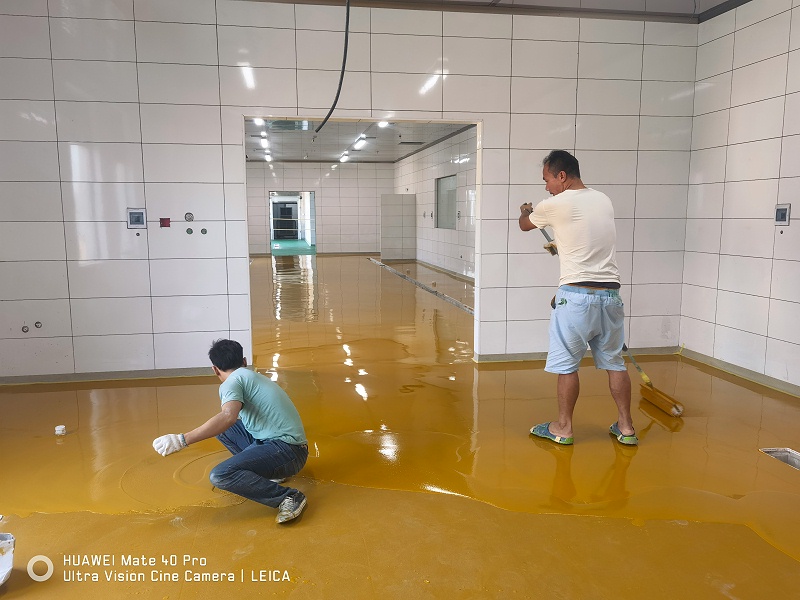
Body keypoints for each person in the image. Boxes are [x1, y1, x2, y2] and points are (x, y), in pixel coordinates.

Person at [518, 150, 637, 446]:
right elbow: (583, 234)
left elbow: (524, 225)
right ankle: (626, 427)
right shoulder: (603, 199)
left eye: (547, 180)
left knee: (567, 366)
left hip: (575, 297)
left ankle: (563, 428)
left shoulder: (554, 204)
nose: (546, 187)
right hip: (610, 295)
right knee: (615, 363)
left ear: (561, 175)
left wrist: (525, 210)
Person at [152, 339, 309, 523]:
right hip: (291, 448)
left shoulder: (231, 382)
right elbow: (228, 423)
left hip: (288, 452)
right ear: (243, 361)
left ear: (215, 369)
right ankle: (268, 474)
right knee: (224, 430)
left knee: (221, 475)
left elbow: (228, 416)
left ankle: (288, 497)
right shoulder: (251, 376)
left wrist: (182, 440)